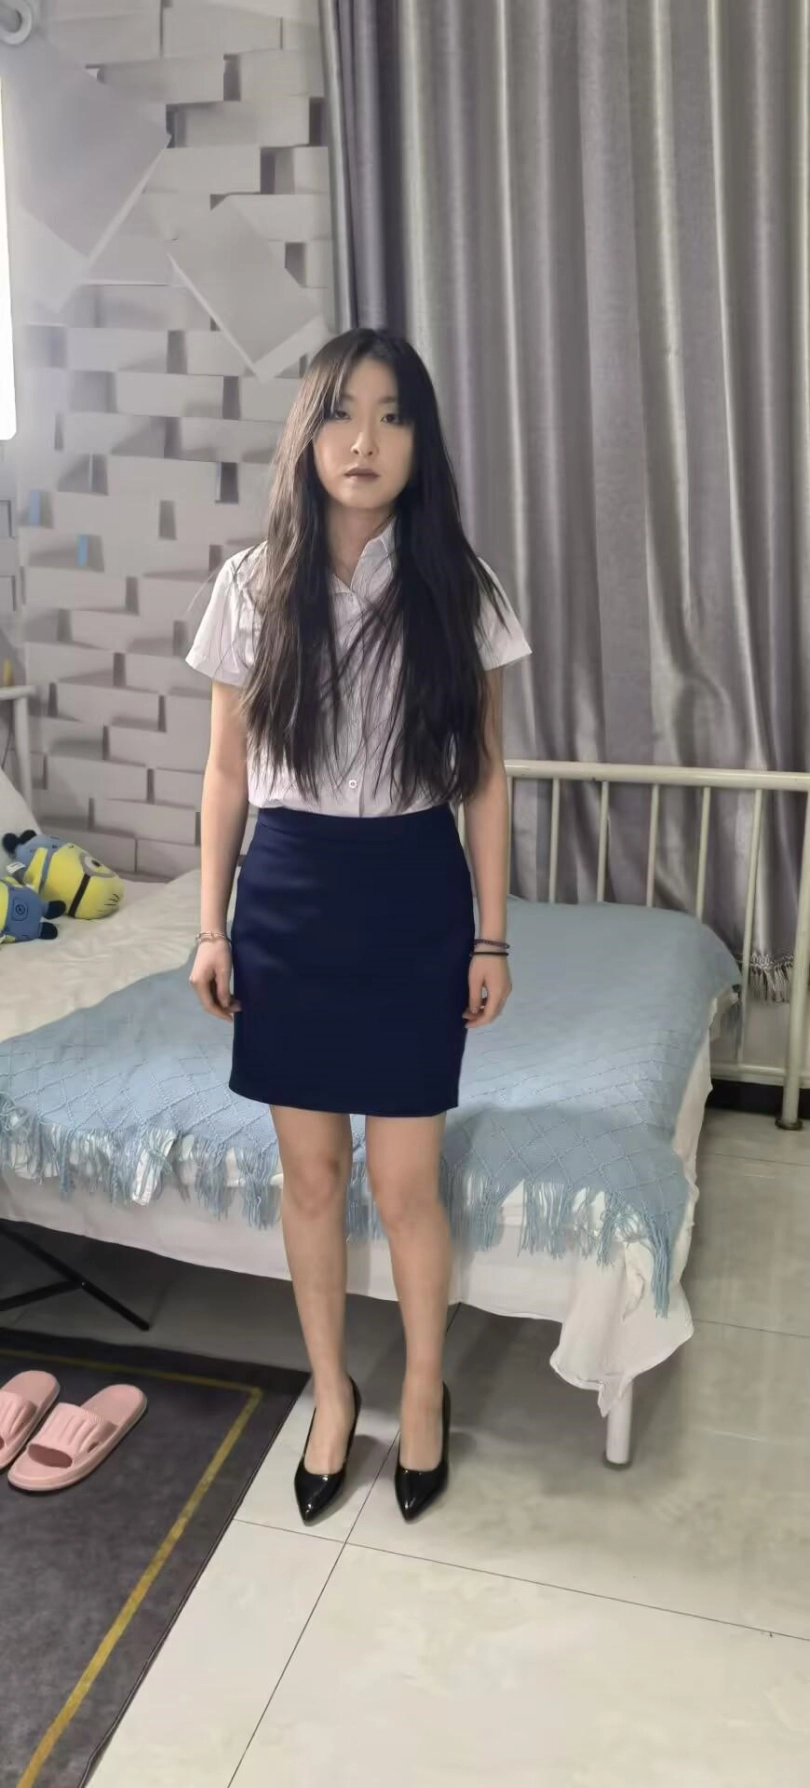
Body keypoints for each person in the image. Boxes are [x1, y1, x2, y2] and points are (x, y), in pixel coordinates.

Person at [186, 327, 531, 1524]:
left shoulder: (463, 588)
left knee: (404, 1181)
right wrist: (211, 926)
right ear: (307, 431)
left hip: (411, 891)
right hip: (287, 893)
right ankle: (331, 1396)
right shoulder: (250, 585)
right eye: (341, 412)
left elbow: (486, 775)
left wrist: (491, 936)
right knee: (312, 1172)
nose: (364, 440)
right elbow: (225, 774)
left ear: (421, 440)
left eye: (393, 415)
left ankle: (423, 1389)